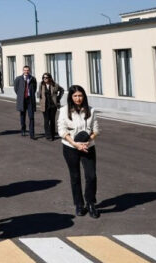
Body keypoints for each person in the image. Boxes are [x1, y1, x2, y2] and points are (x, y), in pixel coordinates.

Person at [57, 85, 100, 218]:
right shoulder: (64, 111)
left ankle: (91, 203)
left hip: (88, 146)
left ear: (84, 96)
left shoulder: (91, 111)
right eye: (75, 96)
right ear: (71, 97)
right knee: (75, 177)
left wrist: (88, 141)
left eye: (80, 95)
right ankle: (79, 204)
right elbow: (62, 130)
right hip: (71, 147)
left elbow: (96, 130)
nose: (78, 98)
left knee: (91, 176)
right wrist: (75, 144)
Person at [37, 73, 64, 141]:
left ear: (50, 78)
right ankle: (47, 135)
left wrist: (58, 98)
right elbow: (38, 93)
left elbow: (62, 90)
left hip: (53, 105)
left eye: (46, 77)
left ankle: (52, 135)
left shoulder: (55, 85)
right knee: (46, 120)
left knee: (52, 121)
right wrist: (41, 99)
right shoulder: (41, 85)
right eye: (44, 77)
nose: (45, 79)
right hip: (44, 105)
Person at [14, 65, 38, 139]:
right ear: (23, 70)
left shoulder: (33, 79)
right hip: (22, 100)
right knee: (22, 116)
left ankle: (32, 134)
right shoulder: (18, 79)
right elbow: (16, 89)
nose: (26, 71)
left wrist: (30, 94)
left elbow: (34, 88)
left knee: (31, 117)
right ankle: (23, 129)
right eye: (25, 70)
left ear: (29, 70)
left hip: (30, 100)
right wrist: (20, 95)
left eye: (27, 70)